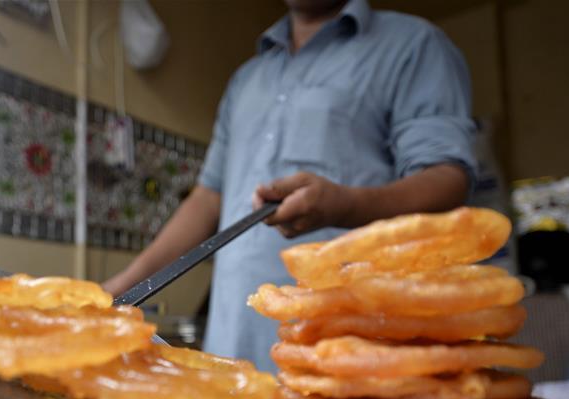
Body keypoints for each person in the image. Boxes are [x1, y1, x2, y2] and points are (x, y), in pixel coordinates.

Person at [103, 0, 477, 372]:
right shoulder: (246, 79)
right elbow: (208, 197)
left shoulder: (412, 45)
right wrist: (118, 289)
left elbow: (447, 178)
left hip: (344, 350)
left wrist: (348, 205)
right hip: (232, 340)